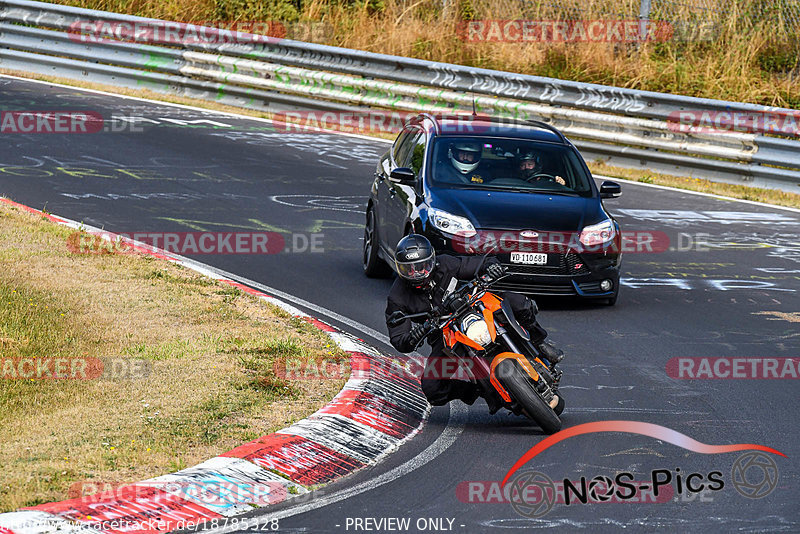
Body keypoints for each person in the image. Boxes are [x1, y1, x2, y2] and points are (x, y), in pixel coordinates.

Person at [385, 234, 564, 409]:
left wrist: (492, 266)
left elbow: (478, 263)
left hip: (473, 306)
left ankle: (539, 344)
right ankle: (480, 389)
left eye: (422, 266)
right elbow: (399, 338)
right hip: (444, 333)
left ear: (432, 261)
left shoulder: (446, 263)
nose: (417, 273)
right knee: (433, 388)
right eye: (410, 269)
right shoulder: (397, 296)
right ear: (400, 270)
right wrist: (413, 336)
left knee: (519, 303)